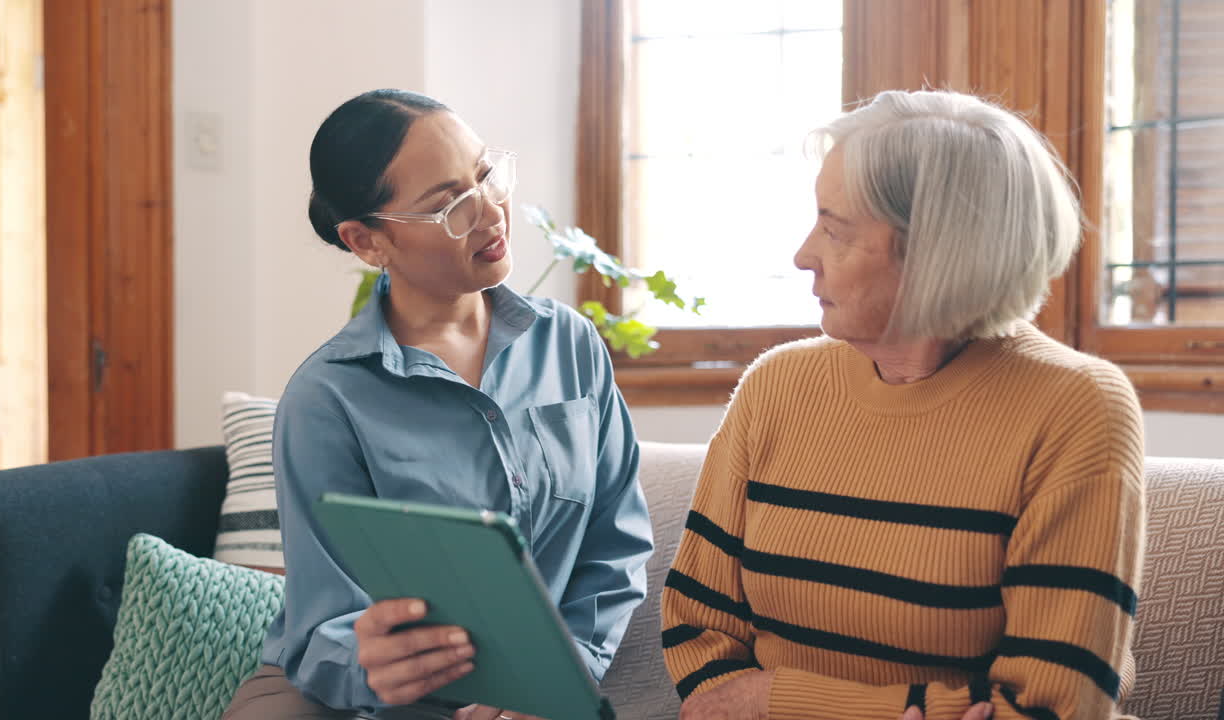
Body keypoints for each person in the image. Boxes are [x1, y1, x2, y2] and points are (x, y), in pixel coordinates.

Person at [662, 89, 1145, 720]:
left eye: (835, 231)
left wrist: (774, 699)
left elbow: (1050, 706)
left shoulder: (1077, 408)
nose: (803, 255)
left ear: (933, 255)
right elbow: (697, 633)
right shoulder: (775, 387)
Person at [223, 89, 654, 720]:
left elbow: (616, 541)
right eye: (450, 204)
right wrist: (374, 665)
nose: (489, 211)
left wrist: (559, 680)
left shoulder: (570, 345)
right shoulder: (327, 398)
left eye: (485, 175)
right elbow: (322, 629)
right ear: (367, 243)